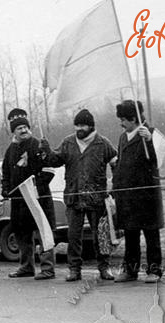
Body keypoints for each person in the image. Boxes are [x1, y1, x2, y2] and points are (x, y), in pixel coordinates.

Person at [41, 109, 117, 282]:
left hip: (96, 199)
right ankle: (74, 269)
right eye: (76, 125)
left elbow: (116, 164)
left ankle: (104, 267)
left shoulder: (103, 143)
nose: (78, 129)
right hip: (73, 198)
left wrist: (114, 184)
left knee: (100, 235)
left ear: (91, 126)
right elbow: (55, 161)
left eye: (82, 125)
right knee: (73, 236)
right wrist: (46, 151)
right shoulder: (68, 142)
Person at [112, 100, 165, 283]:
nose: (121, 123)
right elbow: (120, 165)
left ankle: (154, 271)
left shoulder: (151, 134)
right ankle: (130, 270)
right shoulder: (122, 137)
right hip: (127, 196)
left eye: (124, 119)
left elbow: (157, 161)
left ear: (134, 118)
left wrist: (150, 141)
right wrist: (115, 186)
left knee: (151, 235)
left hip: (147, 195)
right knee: (131, 234)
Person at [2, 109, 57, 280]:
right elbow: (6, 174)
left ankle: (48, 268)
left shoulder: (37, 145)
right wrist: (5, 189)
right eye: (19, 128)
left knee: (43, 233)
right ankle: (26, 266)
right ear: (14, 131)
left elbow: (49, 170)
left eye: (25, 127)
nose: (24, 130)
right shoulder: (10, 150)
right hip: (19, 201)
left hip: (39, 199)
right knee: (21, 233)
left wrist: (35, 189)